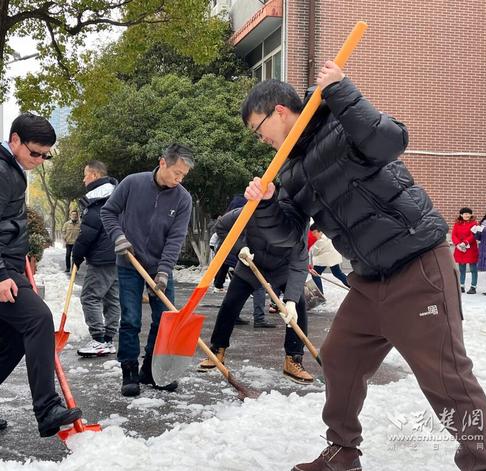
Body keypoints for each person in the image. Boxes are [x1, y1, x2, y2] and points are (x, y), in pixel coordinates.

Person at [242, 62, 486, 470]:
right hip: (369, 278)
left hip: (417, 265)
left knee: (445, 378)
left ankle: (482, 463)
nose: (260, 140)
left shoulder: (340, 121)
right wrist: (269, 203)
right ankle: (342, 452)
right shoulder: (289, 170)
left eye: (258, 129)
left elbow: (391, 140)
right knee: (340, 356)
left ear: (278, 112)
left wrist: (343, 91)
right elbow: (289, 235)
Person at [0, 113, 82, 437]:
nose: (37, 160)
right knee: (38, 319)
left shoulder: (5, 168)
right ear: (15, 141)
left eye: (44, 155)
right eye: (33, 152)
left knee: (11, 343)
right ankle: (47, 408)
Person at [101, 144, 193, 397]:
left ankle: (151, 369)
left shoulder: (183, 198)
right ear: (162, 162)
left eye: (183, 175)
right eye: (176, 172)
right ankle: (129, 370)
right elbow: (108, 212)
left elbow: (176, 238)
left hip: (160, 266)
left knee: (164, 320)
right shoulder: (132, 184)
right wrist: (118, 237)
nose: (179, 179)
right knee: (130, 319)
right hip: (130, 265)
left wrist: (163, 272)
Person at [197, 204, 313, 383]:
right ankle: (217, 350)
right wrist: (239, 247)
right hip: (250, 263)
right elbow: (222, 226)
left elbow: (299, 263)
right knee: (230, 304)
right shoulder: (252, 210)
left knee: (298, 306)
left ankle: (293, 359)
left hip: (283, 270)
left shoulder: (299, 222)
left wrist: (290, 301)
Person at [71, 160, 120, 357]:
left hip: (101, 258)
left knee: (90, 297)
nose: (83, 179)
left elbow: (88, 233)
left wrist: (77, 254)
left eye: (85, 175)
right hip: (118, 255)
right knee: (112, 298)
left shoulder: (97, 201)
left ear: (94, 175)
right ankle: (108, 340)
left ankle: (99, 339)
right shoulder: (116, 195)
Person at [309, 223, 350, 293]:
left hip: (326, 259)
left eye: (315, 232)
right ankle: (352, 286)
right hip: (333, 258)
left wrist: (311, 247)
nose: (314, 234)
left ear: (320, 231)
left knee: (315, 274)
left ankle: (320, 294)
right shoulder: (328, 234)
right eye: (313, 233)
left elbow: (315, 252)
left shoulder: (320, 240)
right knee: (337, 273)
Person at [452, 207, 479, 294]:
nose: (467, 215)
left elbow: (473, 235)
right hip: (460, 248)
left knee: (473, 269)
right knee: (461, 268)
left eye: (468, 213)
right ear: (461, 215)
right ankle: (461, 286)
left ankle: (473, 287)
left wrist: (465, 242)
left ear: (471, 214)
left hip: (471, 248)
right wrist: (458, 244)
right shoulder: (457, 224)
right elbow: (453, 235)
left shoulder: (475, 224)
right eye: (465, 213)